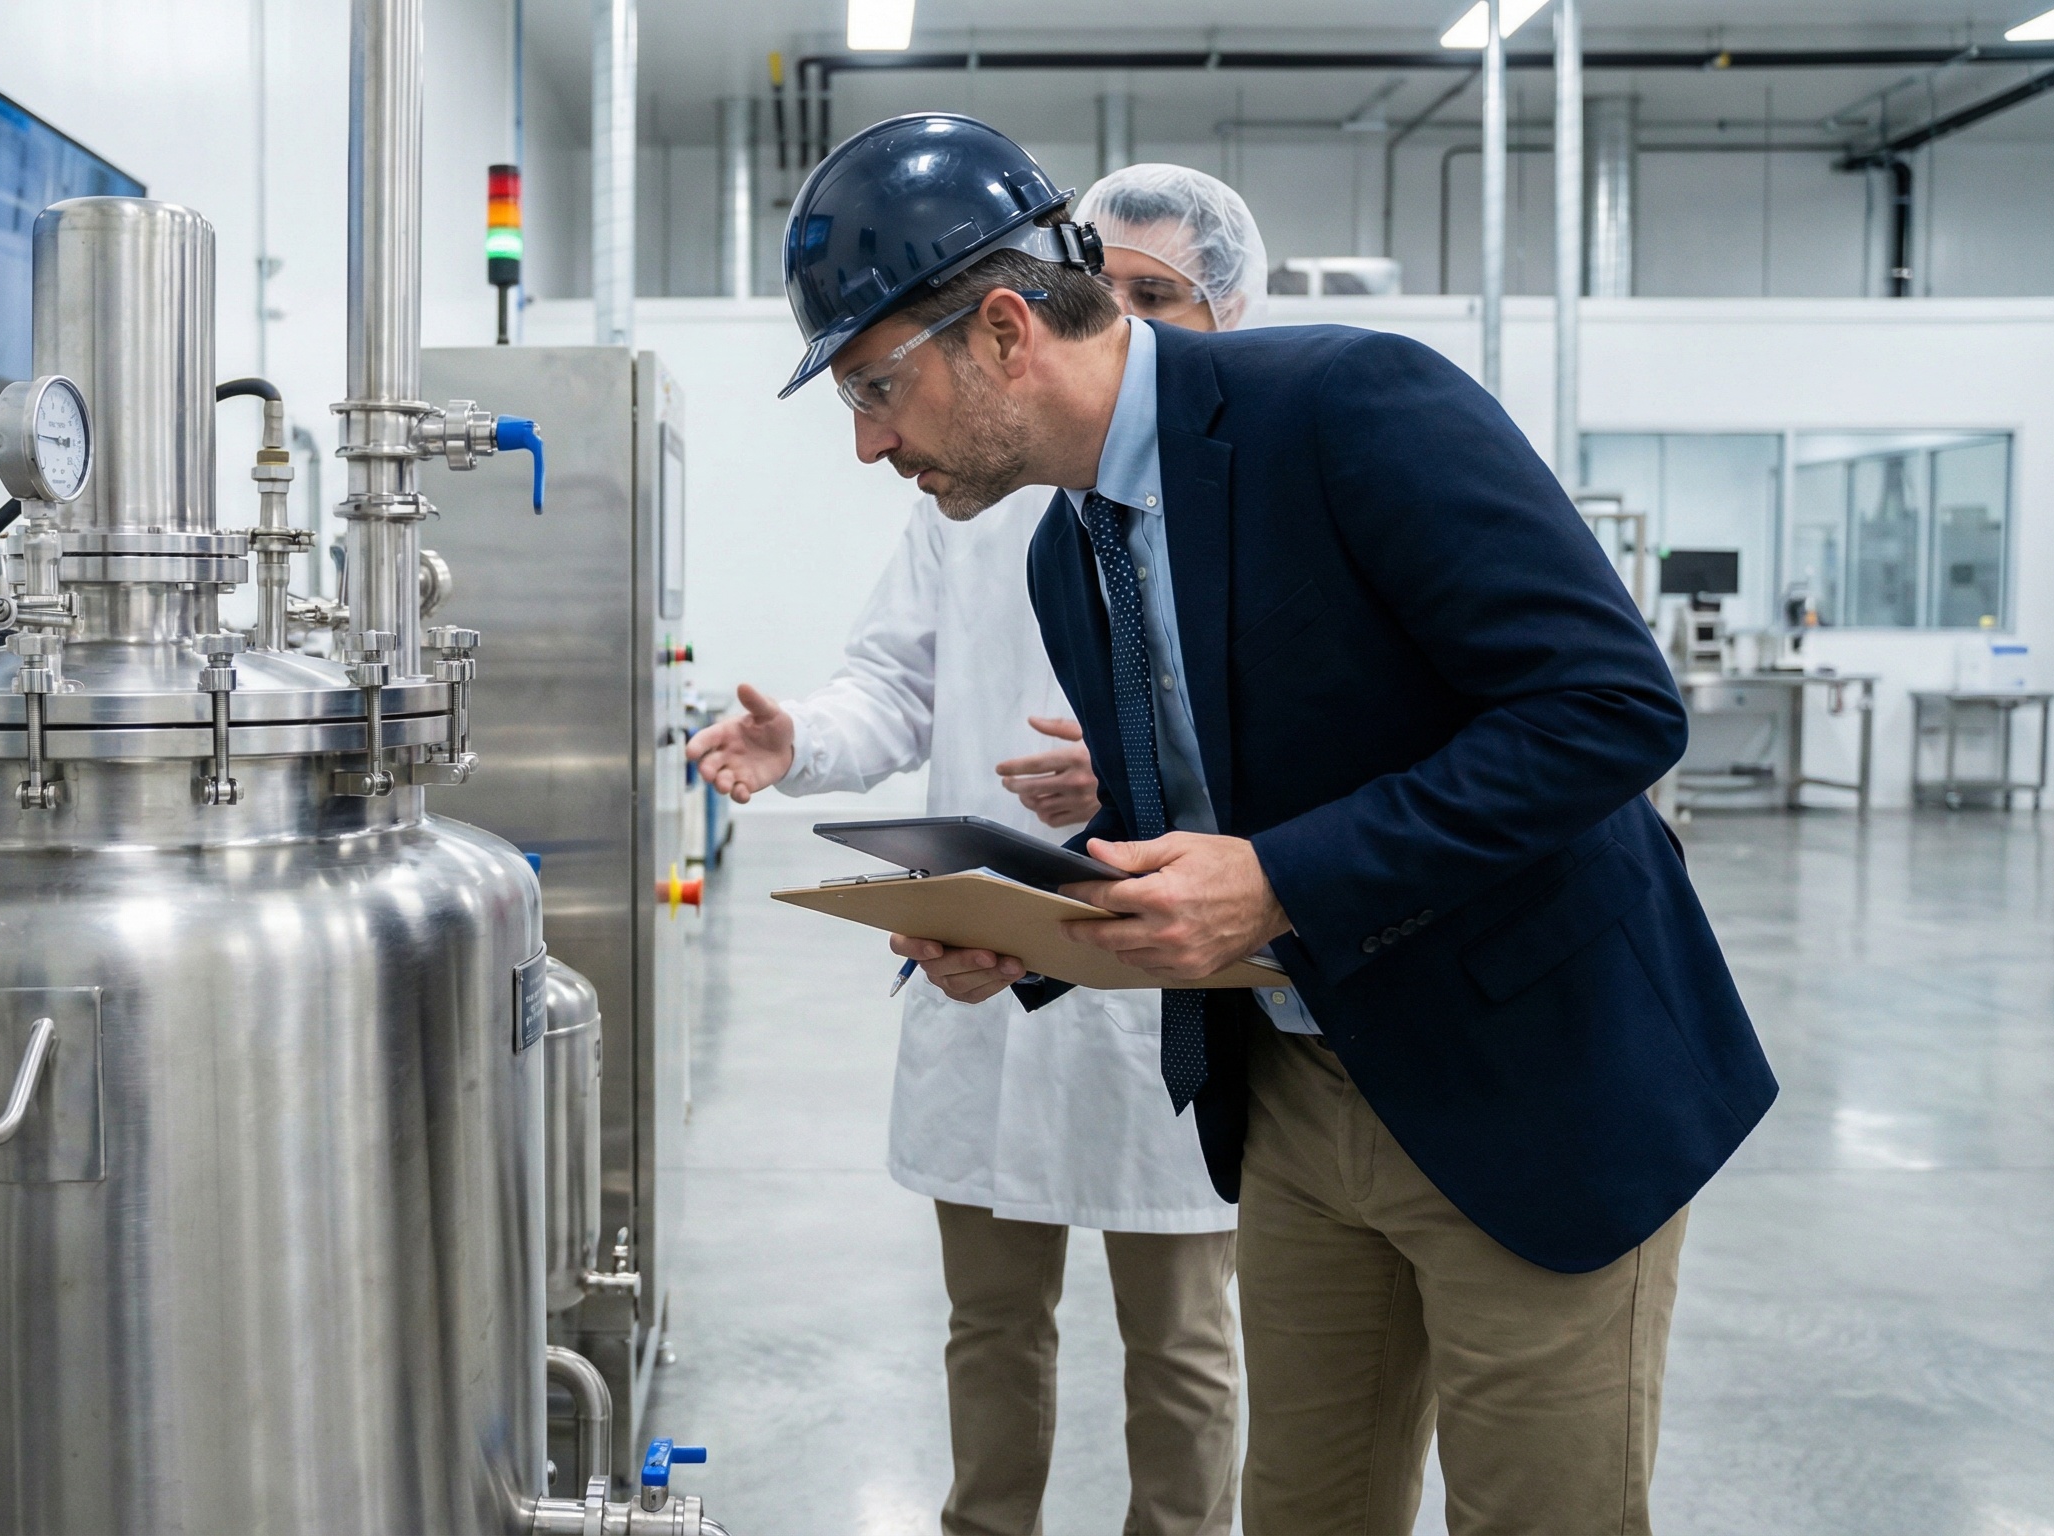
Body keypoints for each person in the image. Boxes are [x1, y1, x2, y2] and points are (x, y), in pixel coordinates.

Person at [775, 114, 1777, 1536]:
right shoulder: (1074, 553)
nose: (871, 443)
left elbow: (1609, 709)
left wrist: (1281, 879)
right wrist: (1033, 940)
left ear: (1004, 329)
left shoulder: (1350, 405)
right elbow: (1193, 818)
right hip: (1305, 1099)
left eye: (878, 388)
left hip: (1532, 1081)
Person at [690, 164, 1269, 1536]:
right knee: (990, 1323)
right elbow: (893, 683)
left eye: (1157, 296)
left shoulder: (1241, 491)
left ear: (1225, 312)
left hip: (1157, 985)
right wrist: (799, 747)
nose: (1119, 316)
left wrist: (1149, 764)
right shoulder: (980, 488)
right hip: (986, 970)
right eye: (1107, 285)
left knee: (1182, 1344)